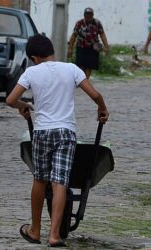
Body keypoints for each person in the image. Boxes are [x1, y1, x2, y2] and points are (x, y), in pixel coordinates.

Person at [6, 34, 109, 247]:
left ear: (34, 57)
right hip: (66, 132)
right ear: (51, 51)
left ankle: (35, 230)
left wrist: (24, 106)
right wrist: (102, 108)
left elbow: (10, 99)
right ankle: (54, 235)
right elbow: (95, 94)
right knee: (60, 181)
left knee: (40, 179)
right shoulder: (71, 69)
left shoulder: (31, 72)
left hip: (42, 132)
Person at [67, 7, 109, 79]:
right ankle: (80, 80)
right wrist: (70, 49)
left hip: (92, 48)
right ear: (84, 15)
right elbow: (74, 36)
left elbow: (102, 34)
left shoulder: (97, 23)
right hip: (81, 47)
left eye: (90, 14)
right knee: (80, 65)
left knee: (89, 66)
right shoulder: (79, 23)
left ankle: (86, 80)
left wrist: (106, 47)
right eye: (87, 14)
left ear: (92, 15)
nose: (88, 16)